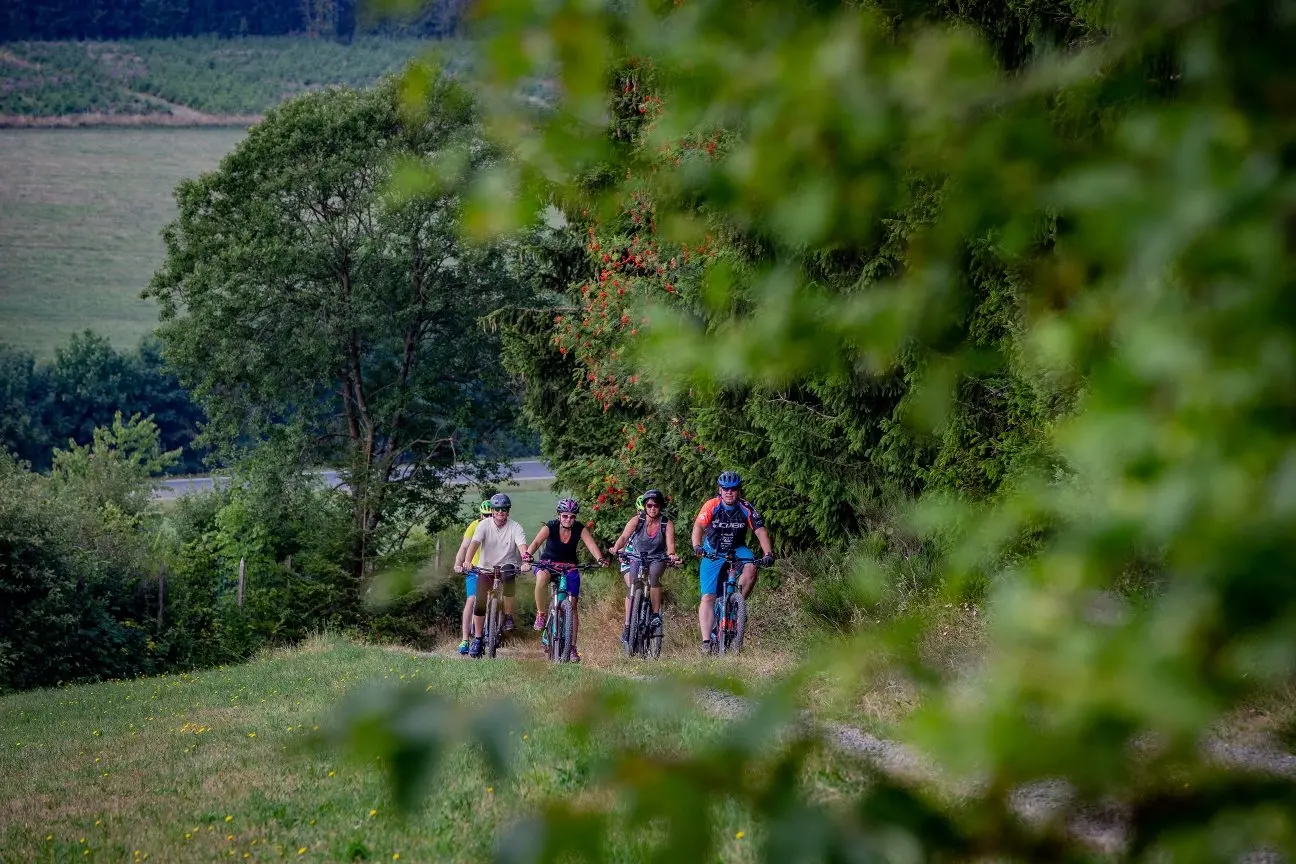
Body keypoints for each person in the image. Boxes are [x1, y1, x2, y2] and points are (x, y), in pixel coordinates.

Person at [691, 471, 775, 654]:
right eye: (725, 489)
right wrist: (697, 546)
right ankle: (706, 641)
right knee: (708, 597)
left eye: (733, 489)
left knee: (751, 566)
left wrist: (768, 553)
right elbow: (698, 526)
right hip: (713, 550)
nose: (729, 492)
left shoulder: (746, 507)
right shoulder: (712, 505)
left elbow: (760, 531)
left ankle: (737, 605)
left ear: (738, 490)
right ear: (720, 490)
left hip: (737, 548)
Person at [526, 498, 608, 663]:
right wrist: (527, 555)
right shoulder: (550, 526)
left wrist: (600, 559)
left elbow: (591, 545)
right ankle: (541, 613)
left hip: (569, 566)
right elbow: (536, 542)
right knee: (541, 577)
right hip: (548, 564)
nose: (568, 519)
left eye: (572, 516)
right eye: (565, 516)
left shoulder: (579, 529)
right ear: (559, 515)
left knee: (573, 605)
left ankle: (571, 647)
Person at [455, 492, 531, 658]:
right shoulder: (483, 525)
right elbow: (474, 544)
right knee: (480, 603)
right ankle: (478, 639)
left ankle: (508, 615)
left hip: (506, 565)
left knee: (510, 576)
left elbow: (522, 547)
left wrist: (526, 561)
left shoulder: (515, 527)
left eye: (504, 509)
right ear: (493, 510)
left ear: (508, 511)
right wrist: (467, 561)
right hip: (485, 567)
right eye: (497, 509)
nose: (500, 512)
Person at [610, 489, 680, 645]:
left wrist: (672, 554)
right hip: (636, 556)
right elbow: (623, 537)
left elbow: (670, 544)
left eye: (656, 505)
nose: (653, 508)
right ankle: (628, 625)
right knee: (633, 586)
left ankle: (655, 615)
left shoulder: (666, 523)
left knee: (654, 578)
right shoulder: (637, 520)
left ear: (660, 506)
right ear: (645, 506)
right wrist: (616, 548)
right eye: (649, 505)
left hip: (657, 557)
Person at [452, 500, 492, 655]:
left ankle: (493, 629)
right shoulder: (475, 526)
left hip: (493, 569)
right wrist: (458, 563)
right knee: (472, 600)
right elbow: (464, 546)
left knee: (494, 599)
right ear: (480, 514)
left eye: (490, 515)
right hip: (475, 568)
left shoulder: (500, 527)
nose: (487, 518)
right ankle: (465, 639)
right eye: (485, 515)